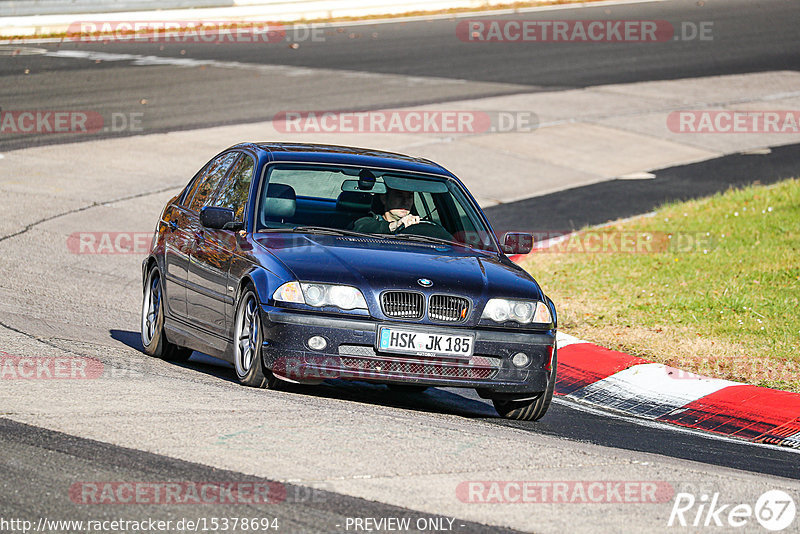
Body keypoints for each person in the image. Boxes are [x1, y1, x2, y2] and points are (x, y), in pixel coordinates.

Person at [353, 186, 421, 234]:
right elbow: (360, 228)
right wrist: (395, 225)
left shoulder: (417, 225)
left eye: (409, 197)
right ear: (384, 199)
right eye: (399, 196)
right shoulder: (369, 221)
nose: (405, 202)